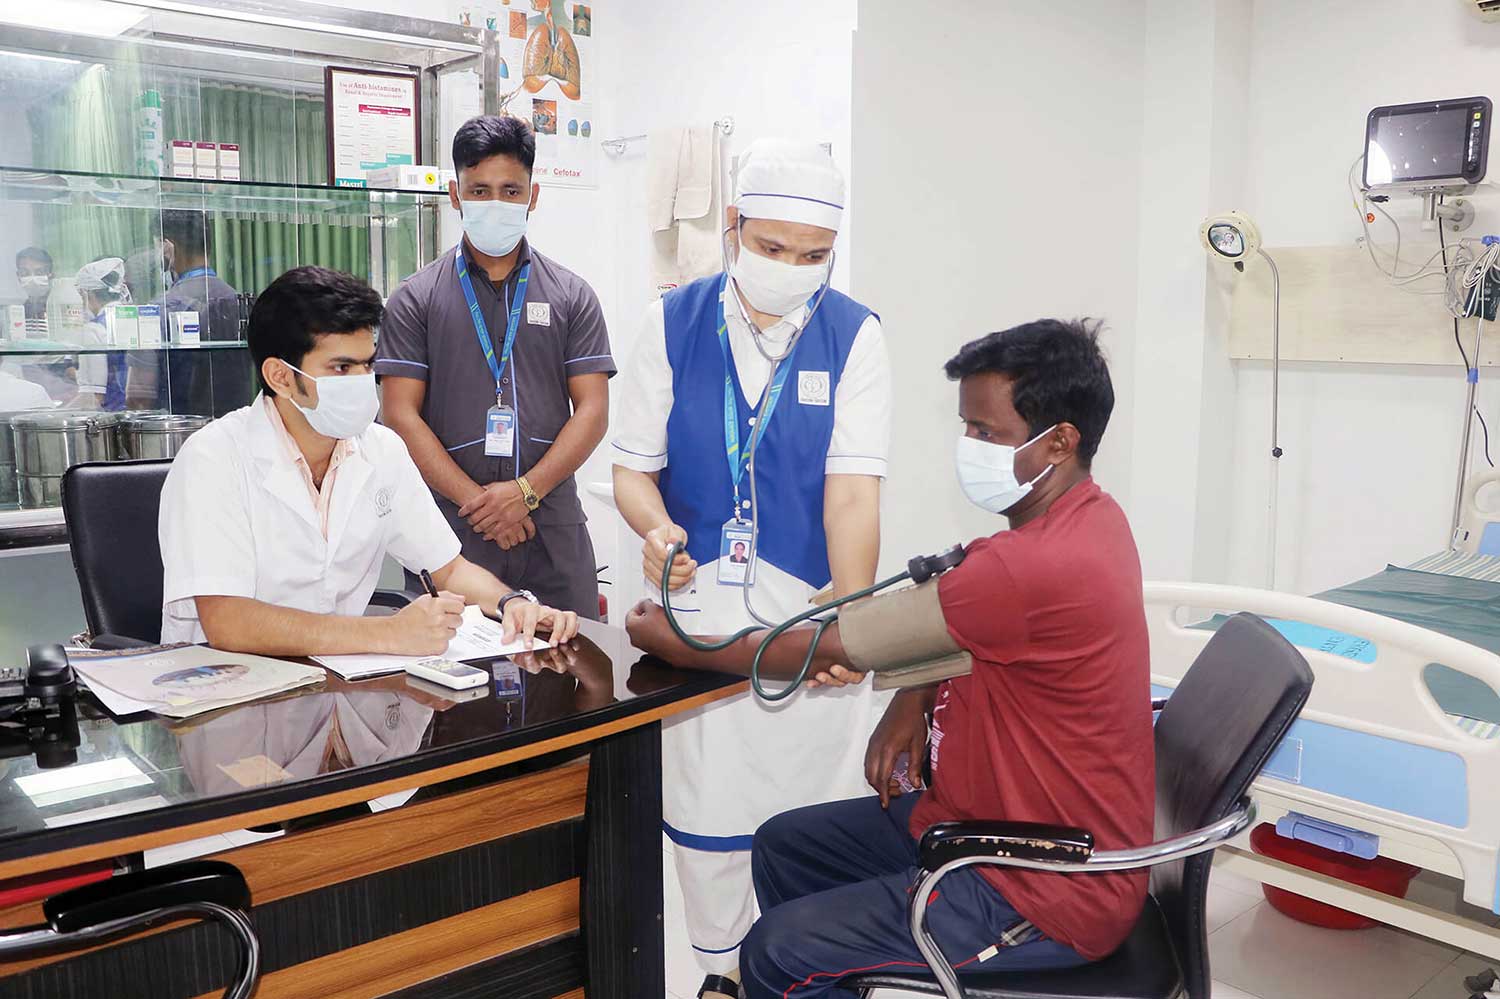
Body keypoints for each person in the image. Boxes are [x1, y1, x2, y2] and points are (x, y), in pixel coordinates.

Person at [625, 319, 1155, 999]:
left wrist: (678, 642)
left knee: (775, 950)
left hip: (1041, 888)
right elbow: (973, 635)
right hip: (980, 826)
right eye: (966, 427)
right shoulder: (1092, 521)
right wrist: (913, 697)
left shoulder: (1029, 566)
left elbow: (830, 645)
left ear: (1060, 441)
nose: (969, 446)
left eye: (986, 432)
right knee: (787, 846)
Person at [610, 138, 892, 999]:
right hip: (696, 614)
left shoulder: (855, 335)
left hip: (803, 611)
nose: (791, 268)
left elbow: (853, 493)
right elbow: (632, 471)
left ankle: (805, 968)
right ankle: (719, 973)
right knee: (707, 809)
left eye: (812, 255)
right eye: (772, 247)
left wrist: (849, 613)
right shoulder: (671, 321)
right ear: (734, 226)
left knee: (808, 806)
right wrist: (657, 530)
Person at [159, 265, 580, 655]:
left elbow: (448, 569)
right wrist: (388, 633)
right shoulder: (213, 459)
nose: (363, 382)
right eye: (342, 368)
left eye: (368, 365)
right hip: (227, 688)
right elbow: (228, 623)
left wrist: (511, 603)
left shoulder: (381, 449)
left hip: (337, 679)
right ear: (280, 377)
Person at [379, 114, 613, 621]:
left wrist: (525, 493)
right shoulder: (415, 299)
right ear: (455, 195)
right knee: (452, 665)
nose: (496, 203)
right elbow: (399, 416)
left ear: (533, 196)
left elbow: (593, 410)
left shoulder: (572, 296)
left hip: (551, 523)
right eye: (479, 190)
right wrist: (482, 504)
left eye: (511, 191)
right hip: (452, 532)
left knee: (576, 658)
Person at [129, 209, 250, 415]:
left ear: (166, 247)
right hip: (234, 427)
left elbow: (139, 399)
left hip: (180, 430)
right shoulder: (238, 302)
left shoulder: (159, 309)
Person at [72, 258, 130, 411]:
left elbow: (94, 397)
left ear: (87, 294)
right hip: (138, 409)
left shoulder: (93, 329)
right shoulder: (135, 319)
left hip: (112, 414)